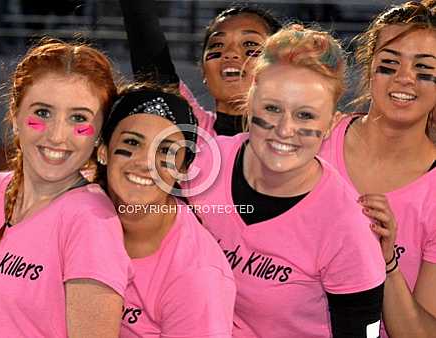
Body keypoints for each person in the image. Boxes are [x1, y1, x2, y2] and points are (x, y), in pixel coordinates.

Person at [185, 25, 386, 338]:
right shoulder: (204, 165)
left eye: (305, 116)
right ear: (249, 103)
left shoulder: (347, 226)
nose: (284, 129)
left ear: (331, 124)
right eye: (272, 108)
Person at [0, 38, 130, 338]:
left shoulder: (92, 222)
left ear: (99, 134)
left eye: (78, 118)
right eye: (42, 112)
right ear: (15, 115)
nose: (56, 135)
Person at [320, 1, 436, 337]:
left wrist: (386, 262)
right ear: (369, 66)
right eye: (389, 64)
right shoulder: (315, 137)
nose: (404, 79)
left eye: (424, 70)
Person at [96, 84, 236, 337]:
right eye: (132, 142)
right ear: (103, 151)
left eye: (165, 150)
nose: (144, 162)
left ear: (183, 169)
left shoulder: (198, 276)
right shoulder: (77, 210)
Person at [119, 0, 281, 136]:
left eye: (250, 44)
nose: (230, 53)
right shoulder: (187, 131)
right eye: (217, 45)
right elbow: (145, 40)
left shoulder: (295, 141)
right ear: (203, 70)